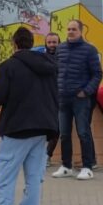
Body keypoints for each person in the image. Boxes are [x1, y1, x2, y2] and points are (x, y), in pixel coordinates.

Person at [0, 26, 58, 205]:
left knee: (5, 177)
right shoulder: (49, 66)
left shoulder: (9, 67)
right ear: (32, 43)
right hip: (42, 129)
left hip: (16, 128)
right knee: (34, 179)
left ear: (14, 44)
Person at [52, 20, 102, 181]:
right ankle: (66, 166)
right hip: (63, 98)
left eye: (73, 29)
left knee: (83, 132)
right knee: (64, 134)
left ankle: (87, 167)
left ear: (80, 31)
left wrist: (86, 91)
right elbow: (56, 71)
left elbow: (97, 74)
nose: (70, 32)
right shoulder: (60, 49)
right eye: (68, 29)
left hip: (80, 99)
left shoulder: (89, 50)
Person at [34, 32, 61, 164]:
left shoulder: (63, 57)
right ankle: (37, 155)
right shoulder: (40, 57)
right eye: (49, 42)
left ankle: (47, 156)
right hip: (43, 97)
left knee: (56, 128)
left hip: (60, 97)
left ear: (59, 43)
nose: (52, 45)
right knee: (41, 128)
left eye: (54, 42)